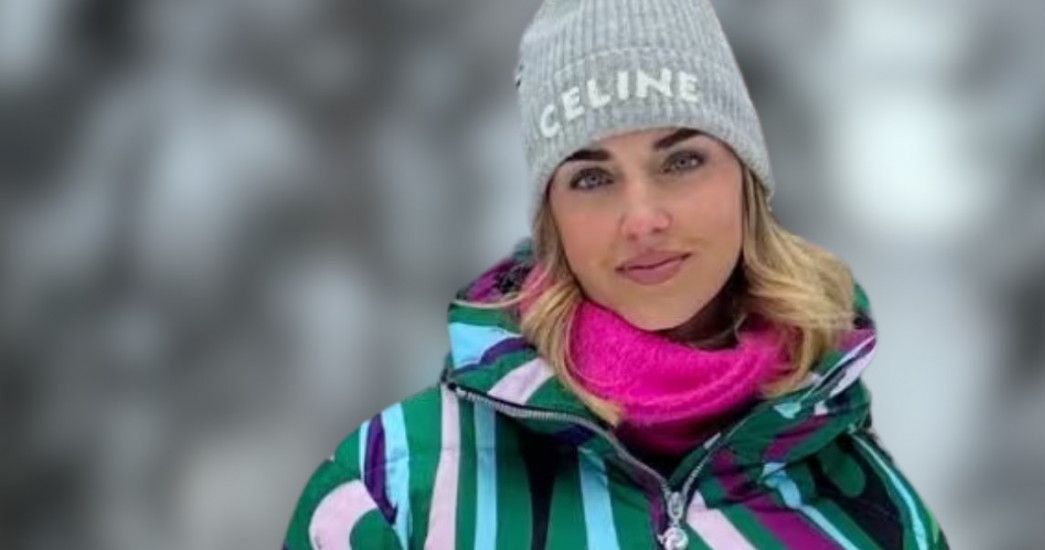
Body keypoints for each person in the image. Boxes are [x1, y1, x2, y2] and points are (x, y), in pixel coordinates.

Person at [283, 1, 948, 548]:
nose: (643, 219)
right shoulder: (395, 491)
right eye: (592, 178)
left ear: (746, 180)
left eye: (681, 161)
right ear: (553, 219)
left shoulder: (874, 515)